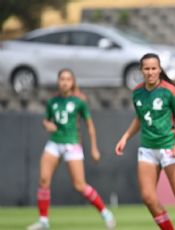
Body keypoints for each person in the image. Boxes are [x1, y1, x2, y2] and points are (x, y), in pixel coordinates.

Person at [114, 53, 175, 230]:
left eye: (153, 68)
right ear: (141, 71)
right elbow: (140, 119)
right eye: (146, 69)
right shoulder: (137, 93)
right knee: (148, 198)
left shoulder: (170, 91)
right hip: (147, 149)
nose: (150, 72)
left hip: (169, 147)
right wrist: (125, 137)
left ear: (159, 69)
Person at [27, 69, 115, 230]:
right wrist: (48, 125)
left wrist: (94, 148)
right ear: (58, 81)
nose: (65, 82)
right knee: (43, 181)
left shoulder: (79, 101)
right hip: (54, 142)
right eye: (62, 79)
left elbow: (90, 126)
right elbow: (46, 121)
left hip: (72, 143)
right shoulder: (52, 102)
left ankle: (105, 212)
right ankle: (43, 221)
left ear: (72, 82)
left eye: (68, 79)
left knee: (80, 185)